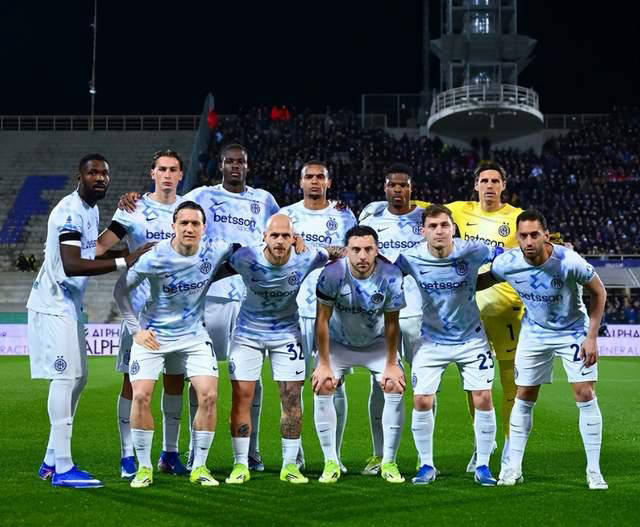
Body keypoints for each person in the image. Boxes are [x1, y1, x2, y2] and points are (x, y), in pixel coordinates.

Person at [118, 143, 279, 471]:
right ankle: (191, 453)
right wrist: (135, 199)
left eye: (241, 162)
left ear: (248, 166)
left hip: (250, 300)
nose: (235, 166)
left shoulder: (265, 200)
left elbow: (279, 229)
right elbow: (169, 201)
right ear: (220, 165)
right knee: (196, 379)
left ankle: (251, 451)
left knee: (250, 378)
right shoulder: (202, 195)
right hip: (210, 299)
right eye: (229, 161)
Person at [28, 153, 150, 488]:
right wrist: (125, 261)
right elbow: (72, 265)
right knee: (65, 379)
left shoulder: (90, 210)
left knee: (79, 379)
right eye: (92, 173)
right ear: (78, 176)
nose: (99, 178)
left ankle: (51, 460)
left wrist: (135, 255)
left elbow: (91, 251)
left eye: (104, 173)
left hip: (68, 304)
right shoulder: (69, 210)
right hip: (52, 304)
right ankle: (63, 467)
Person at [479, 209, 608, 490]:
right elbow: (485, 280)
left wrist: (591, 337)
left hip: (572, 331)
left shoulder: (569, 261)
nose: (528, 241)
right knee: (524, 396)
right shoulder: (508, 262)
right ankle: (513, 468)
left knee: (585, 394)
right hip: (534, 333)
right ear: (517, 237)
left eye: (534, 235)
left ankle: (594, 471)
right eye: (523, 236)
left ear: (546, 235)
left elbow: (599, 291)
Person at [114, 201, 232, 488]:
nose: (189, 228)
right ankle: (144, 468)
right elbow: (121, 291)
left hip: (193, 336)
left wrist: (296, 243)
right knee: (141, 396)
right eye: (184, 223)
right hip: (154, 336)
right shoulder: (154, 257)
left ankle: (199, 466)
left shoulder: (216, 249)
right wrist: (136, 331)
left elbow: (257, 250)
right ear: (173, 226)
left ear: (204, 228)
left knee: (208, 395)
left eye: (195, 223)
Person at [96, 149, 187, 479]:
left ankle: (170, 453)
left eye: (173, 169)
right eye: (161, 169)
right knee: (132, 385)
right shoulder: (133, 208)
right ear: (152, 173)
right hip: (138, 316)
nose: (167, 174)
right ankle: (127, 456)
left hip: (178, 315)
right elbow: (98, 248)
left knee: (175, 383)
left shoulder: (189, 208)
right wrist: (128, 255)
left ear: (180, 175)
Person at [395, 204, 499, 486]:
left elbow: (508, 258)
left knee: (483, 398)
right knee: (422, 400)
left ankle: (483, 465)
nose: (439, 231)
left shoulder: (474, 251)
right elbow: (383, 273)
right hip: (431, 339)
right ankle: (426, 464)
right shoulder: (410, 257)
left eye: (444, 225)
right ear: (423, 231)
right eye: (433, 226)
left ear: (454, 228)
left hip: (471, 339)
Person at [224, 214, 330, 485]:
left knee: (292, 398)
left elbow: (337, 252)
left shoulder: (307, 256)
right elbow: (212, 267)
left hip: (286, 335)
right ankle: (240, 464)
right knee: (242, 397)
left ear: (293, 238)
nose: (280, 241)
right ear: (264, 237)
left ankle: (289, 465)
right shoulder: (245, 258)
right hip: (247, 334)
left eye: (285, 235)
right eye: (274, 235)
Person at [312, 225, 407, 484]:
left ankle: (388, 461)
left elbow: (392, 323)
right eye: (355, 250)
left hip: (376, 343)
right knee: (323, 384)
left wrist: (392, 363)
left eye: (368, 249)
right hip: (339, 343)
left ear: (377, 250)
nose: (362, 256)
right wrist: (323, 363)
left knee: (394, 384)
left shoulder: (391, 275)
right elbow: (322, 321)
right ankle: (331, 461)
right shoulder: (332, 273)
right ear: (347, 251)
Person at [280, 159, 356, 471]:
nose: (314, 181)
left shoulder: (343, 214)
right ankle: (294, 456)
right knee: (292, 385)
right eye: (308, 177)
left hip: (333, 310)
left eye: (319, 177)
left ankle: (333, 456)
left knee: (335, 383)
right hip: (295, 309)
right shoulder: (287, 215)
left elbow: (354, 254)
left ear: (328, 182)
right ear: (300, 182)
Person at [357, 163, 424, 475]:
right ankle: (379, 454)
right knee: (381, 385)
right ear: (385, 188)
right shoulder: (371, 218)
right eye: (392, 185)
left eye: (403, 185)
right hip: (380, 313)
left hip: (420, 312)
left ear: (411, 188)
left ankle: (425, 456)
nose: (398, 190)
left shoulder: (425, 218)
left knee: (424, 386)